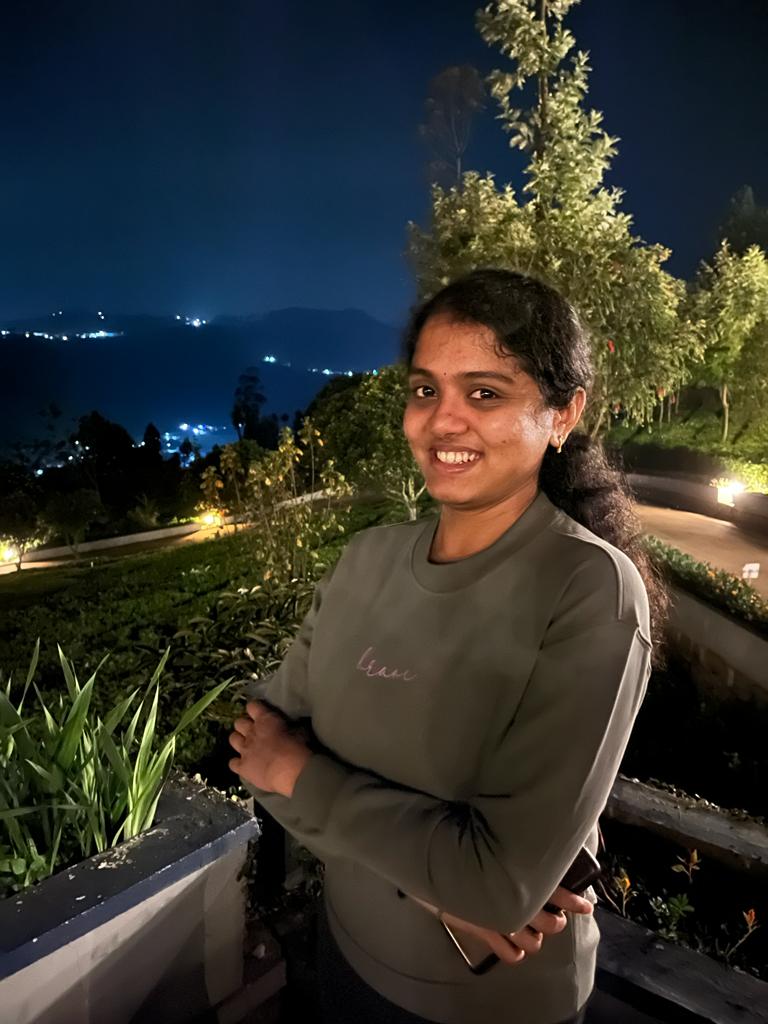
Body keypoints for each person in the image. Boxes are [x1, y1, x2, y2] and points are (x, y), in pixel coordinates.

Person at [228, 269, 666, 1024]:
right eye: (425, 389)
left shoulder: (588, 589)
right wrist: (437, 884)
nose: (442, 421)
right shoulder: (365, 559)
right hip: (344, 952)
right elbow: (254, 751)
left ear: (562, 415)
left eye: (485, 393)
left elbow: (494, 888)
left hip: (484, 1005)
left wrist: (302, 773)